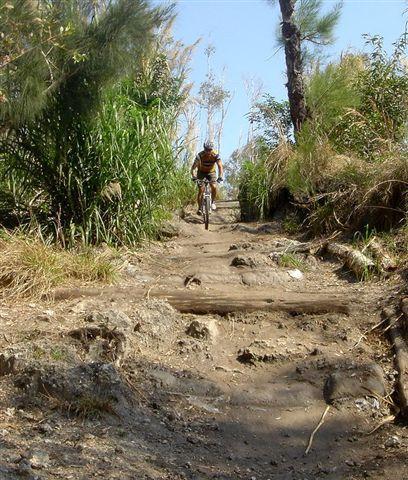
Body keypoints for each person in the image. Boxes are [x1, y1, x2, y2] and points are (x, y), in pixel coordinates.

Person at [191, 141, 224, 215]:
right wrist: (194, 176)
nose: (208, 152)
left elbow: (220, 166)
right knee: (201, 190)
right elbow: (193, 168)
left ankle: (213, 202)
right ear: (204, 149)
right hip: (201, 172)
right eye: (207, 150)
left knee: (214, 186)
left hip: (211, 173)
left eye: (210, 150)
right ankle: (199, 208)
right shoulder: (199, 155)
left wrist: (220, 176)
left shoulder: (216, 155)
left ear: (212, 149)